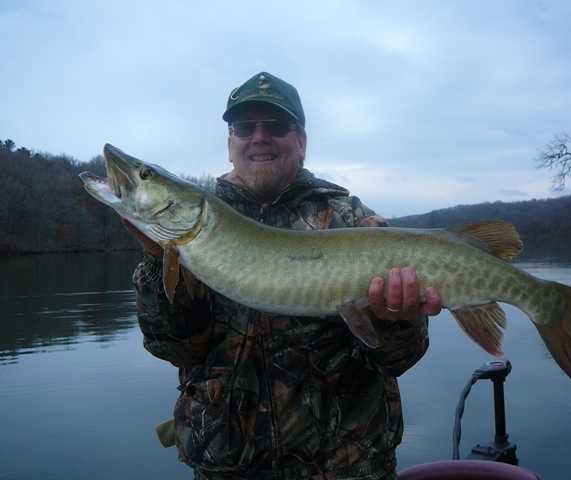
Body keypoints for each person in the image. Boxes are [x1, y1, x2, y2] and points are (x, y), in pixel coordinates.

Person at [124, 72, 442, 480]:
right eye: (244, 127)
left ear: (302, 142)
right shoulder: (197, 228)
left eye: (275, 125)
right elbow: (176, 350)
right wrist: (157, 260)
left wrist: (393, 320)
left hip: (348, 471)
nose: (259, 137)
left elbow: (403, 357)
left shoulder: (353, 221)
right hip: (227, 470)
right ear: (230, 144)